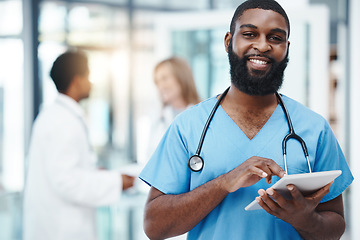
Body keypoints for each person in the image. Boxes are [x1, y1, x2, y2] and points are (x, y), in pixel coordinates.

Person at [139, 0, 354, 239]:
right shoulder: (188, 126)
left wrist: (305, 219)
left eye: (275, 38)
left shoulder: (314, 129)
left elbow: (335, 226)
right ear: (229, 42)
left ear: (287, 47)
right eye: (250, 34)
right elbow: (154, 226)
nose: (262, 46)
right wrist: (224, 183)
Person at [23, 50, 135, 240]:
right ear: (77, 81)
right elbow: (66, 181)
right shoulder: (62, 121)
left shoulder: (57, 116)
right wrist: (116, 182)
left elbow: (64, 169)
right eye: (88, 76)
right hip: (60, 230)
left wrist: (94, 173)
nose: (91, 83)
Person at [139, 57, 201, 164]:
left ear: (181, 77)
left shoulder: (202, 116)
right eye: (157, 82)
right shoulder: (156, 118)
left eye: (165, 79)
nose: (160, 86)